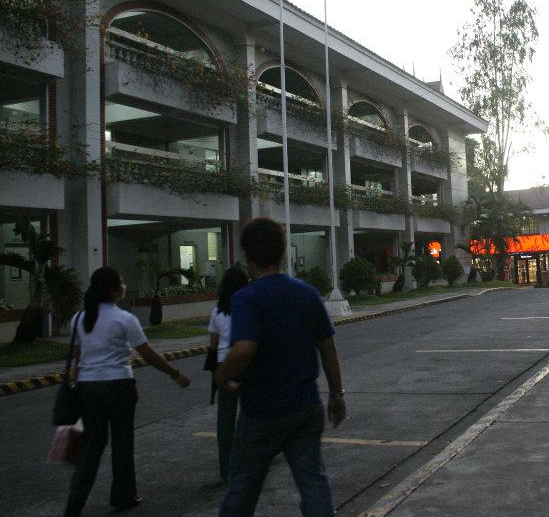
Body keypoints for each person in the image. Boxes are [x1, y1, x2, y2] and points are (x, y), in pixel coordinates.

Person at [216, 218, 346, 517]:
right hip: (305, 407)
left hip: (262, 410)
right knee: (313, 483)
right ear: (283, 252)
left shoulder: (246, 298)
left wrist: (222, 375)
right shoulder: (308, 293)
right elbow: (328, 348)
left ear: (248, 256)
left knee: (242, 490)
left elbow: (244, 348)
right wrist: (336, 395)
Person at [64, 266, 191, 517]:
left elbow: (78, 359)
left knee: (91, 447)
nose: (124, 286)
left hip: (88, 387)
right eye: (121, 282)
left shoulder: (79, 319)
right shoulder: (124, 319)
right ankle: (123, 496)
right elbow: (147, 354)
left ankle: (74, 504)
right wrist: (175, 373)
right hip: (119, 385)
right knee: (122, 443)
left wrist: (78, 388)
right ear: (113, 290)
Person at [207, 265, 250, 481]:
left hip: (224, 365)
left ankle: (226, 468)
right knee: (252, 414)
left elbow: (213, 346)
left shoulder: (217, 311)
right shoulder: (248, 307)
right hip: (246, 362)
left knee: (225, 419)